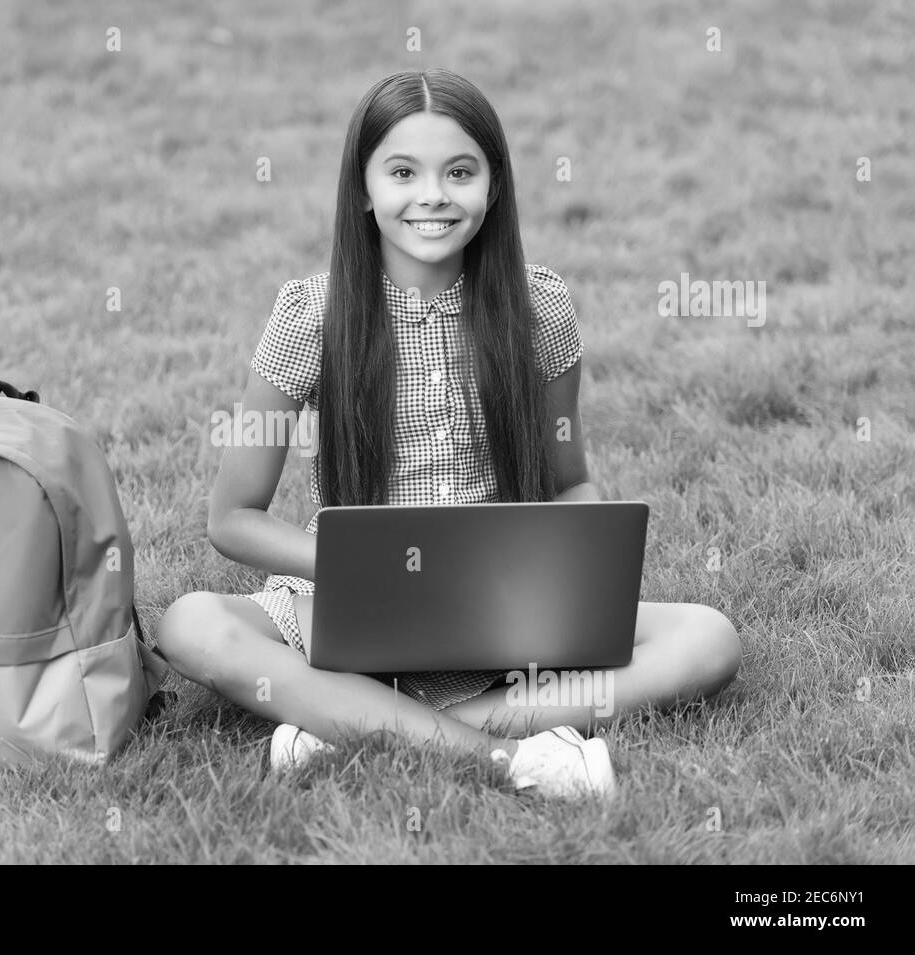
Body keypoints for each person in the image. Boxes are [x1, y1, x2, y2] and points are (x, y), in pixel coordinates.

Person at [156, 69, 741, 798]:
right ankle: (509, 754)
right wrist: (344, 568)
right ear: (363, 189)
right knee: (192, 624)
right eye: (403, 172)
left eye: (459, 171)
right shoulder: (311, 314)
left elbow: (569, 480)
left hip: (499, 611)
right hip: (351, 604)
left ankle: (350, 723)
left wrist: (580, 570)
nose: (432, 194)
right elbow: (231, 516)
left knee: (708, 638)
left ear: (492, 186)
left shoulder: (540, 308)